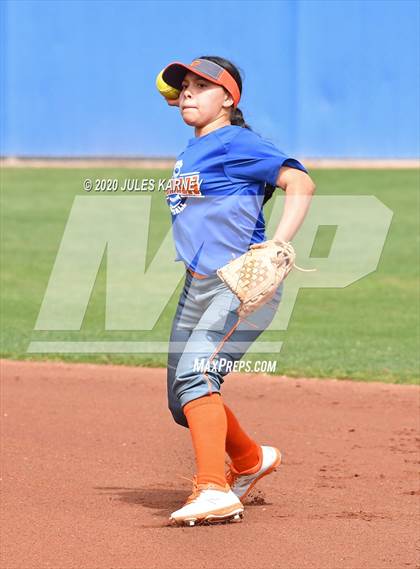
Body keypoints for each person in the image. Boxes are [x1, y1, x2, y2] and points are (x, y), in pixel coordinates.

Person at [158, 56, 316, 526]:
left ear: (228, 98)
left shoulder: (237, 142)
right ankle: (249, 460)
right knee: (180, 402)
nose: (187, 92)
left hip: (239, 285)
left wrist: (278, 246)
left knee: (196, 379)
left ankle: (213, 490)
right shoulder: (194, 148)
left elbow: (300, 182)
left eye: (201, 86)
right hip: (197, 287)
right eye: (183, 86)